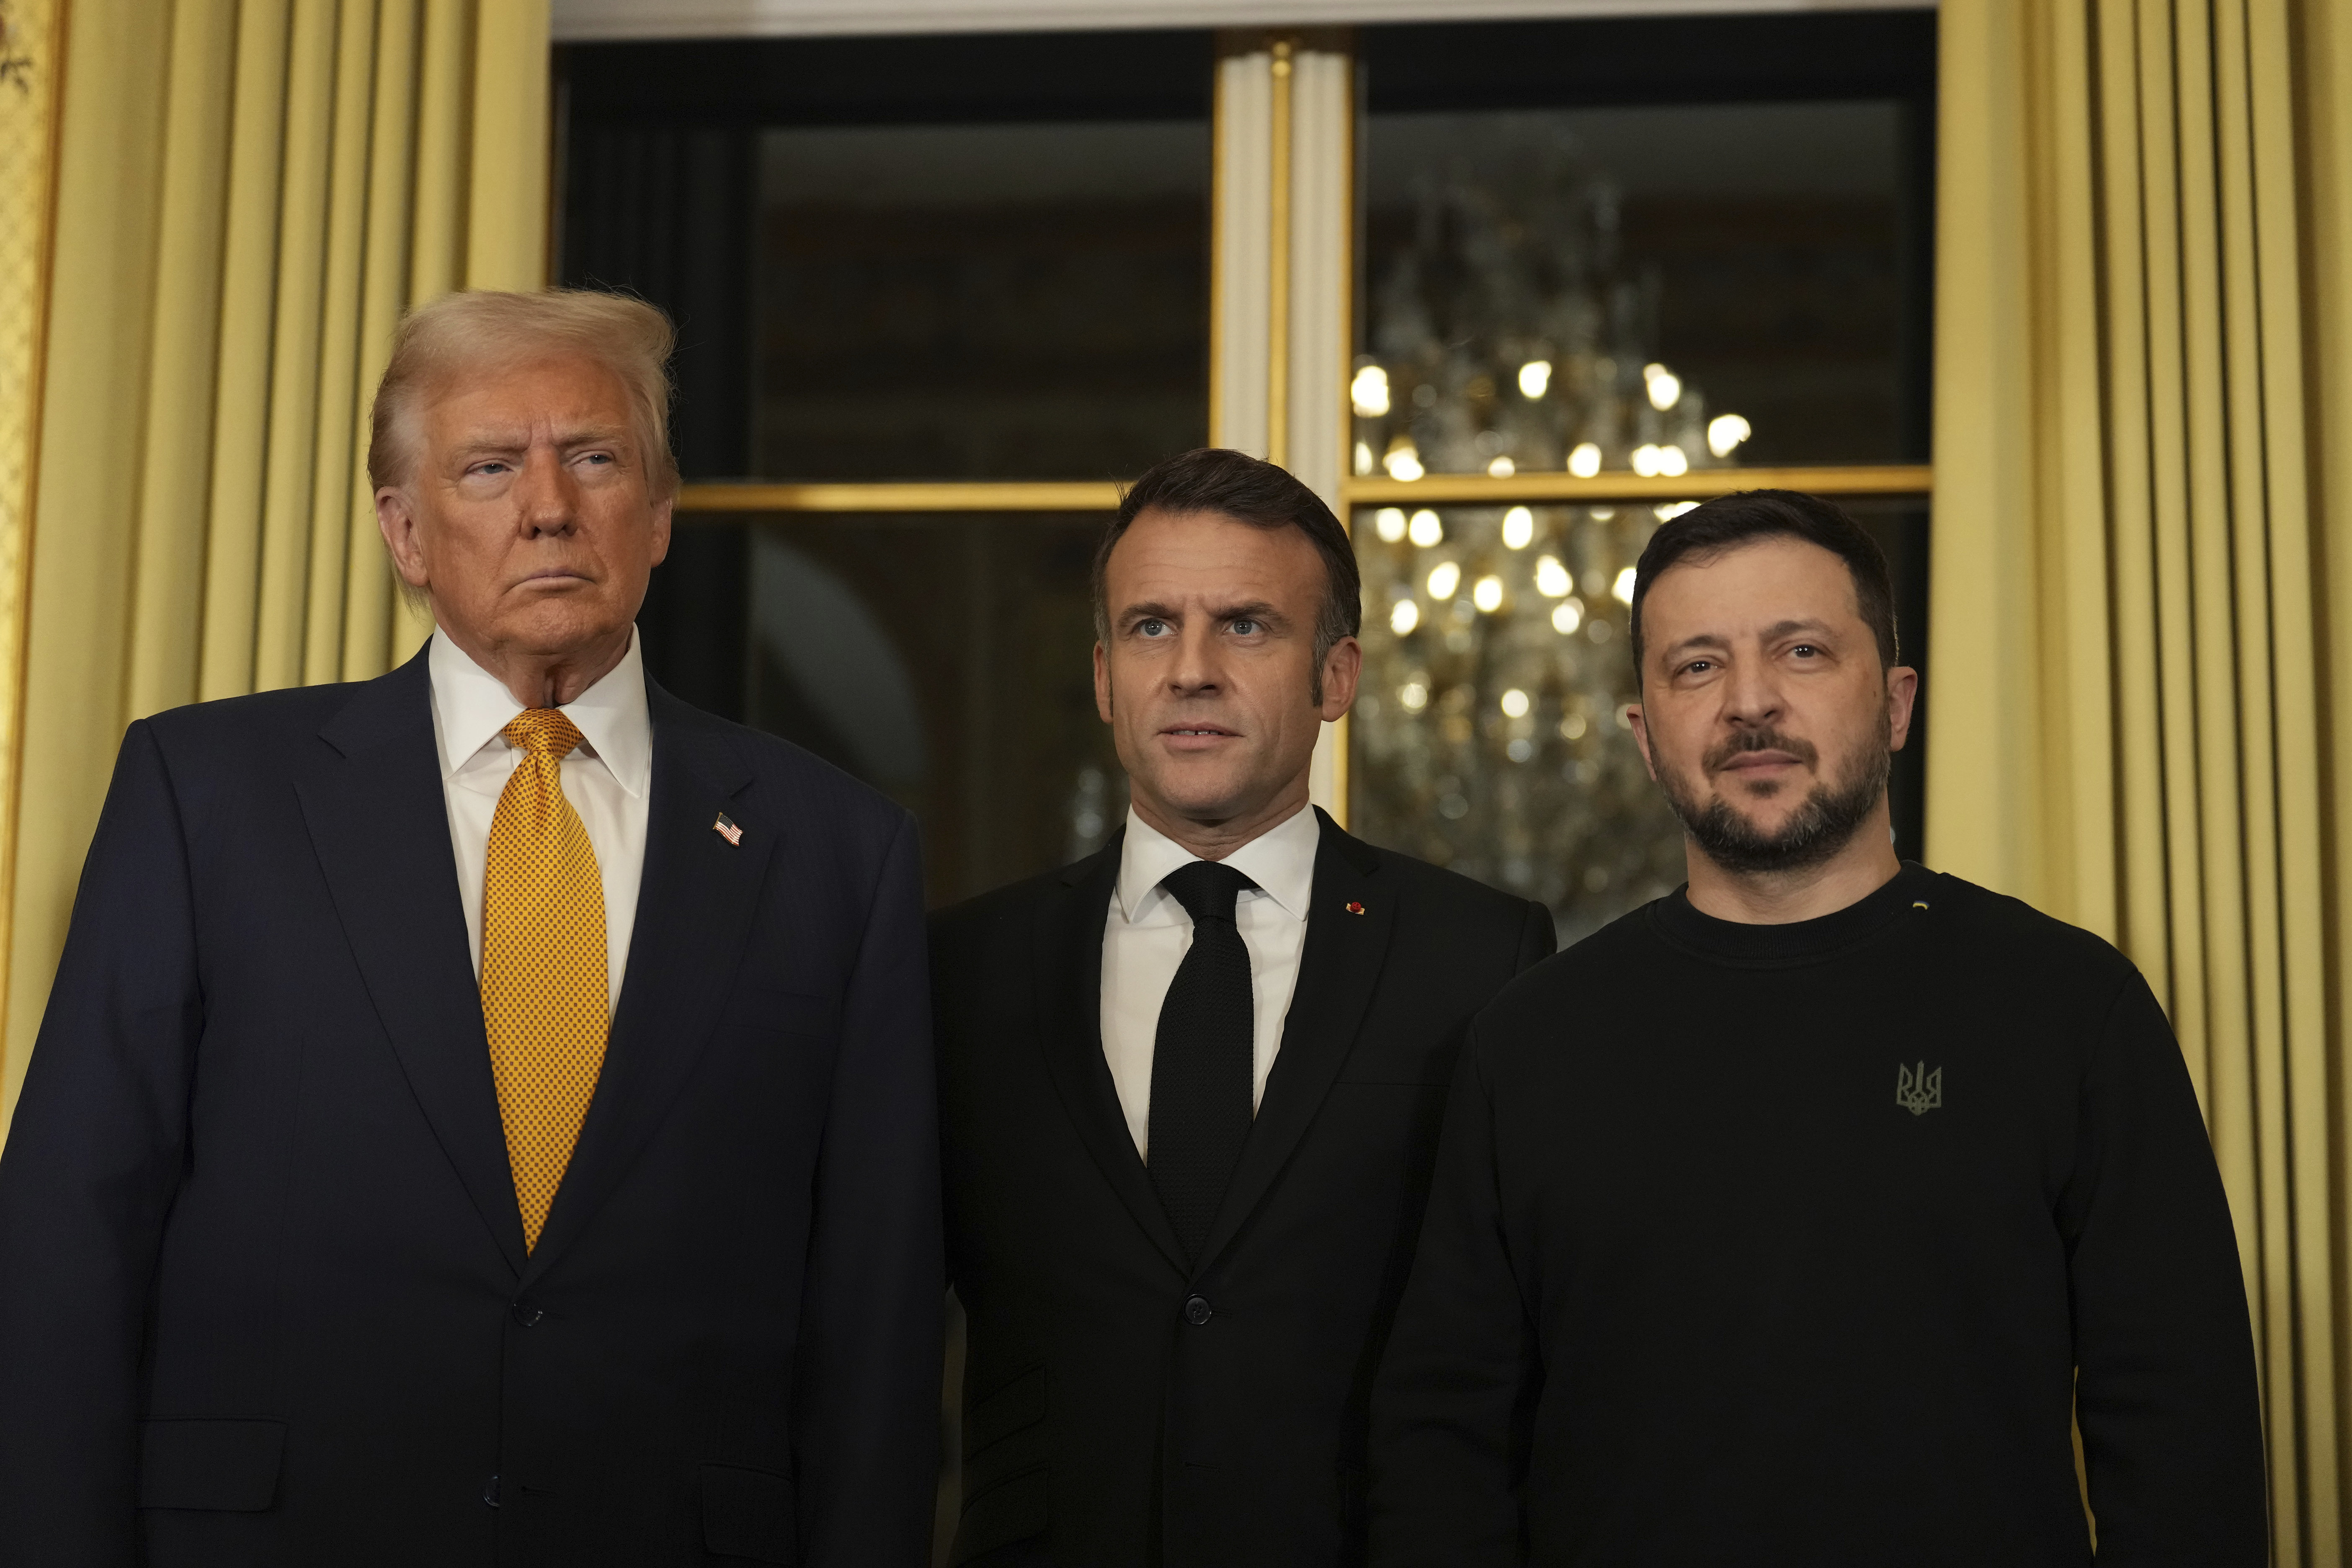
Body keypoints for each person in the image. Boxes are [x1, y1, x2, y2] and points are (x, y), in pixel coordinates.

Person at [0, 289, 942, 1567]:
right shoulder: (205, 795)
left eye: (596, 459)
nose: (548, 506)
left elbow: (876, 1315)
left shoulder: (838, 852)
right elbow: (69, 1240)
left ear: (658, 515)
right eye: (490, 467)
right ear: (405, 531)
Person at [1368, 489, 2268, 1564]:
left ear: (1895, 704)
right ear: (1644, 736)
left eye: (1800, 651)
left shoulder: (2070, 1007)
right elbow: (1443, 1452)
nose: (1751, 702)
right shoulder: (1528, 1043)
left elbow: (2183, 1436)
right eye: (1697, 666)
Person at [931, 449, 1554, 1567]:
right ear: (1105, 675)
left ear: (1337, 678)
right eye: (1152, 627)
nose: (1193, 671)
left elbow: (1513, 1340)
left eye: (1249, 626)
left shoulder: (1477, 957)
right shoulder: (965, 970)